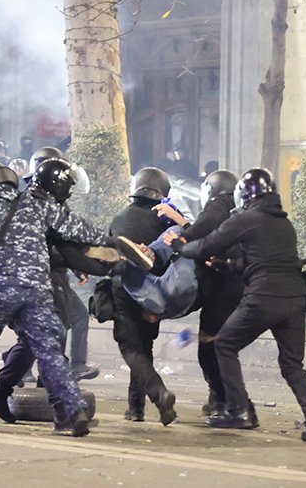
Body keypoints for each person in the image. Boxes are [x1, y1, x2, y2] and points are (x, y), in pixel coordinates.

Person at [0, 159, 110, 437]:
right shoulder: (36, 203)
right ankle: (73, 411)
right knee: (49, 351)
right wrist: (109, 241)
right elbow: (75, 227)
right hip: (38, 289)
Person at [172, 168, 306, 442]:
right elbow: (263, 259)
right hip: (294, 301)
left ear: (245, 195)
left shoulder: (247, 219)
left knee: (224, 345)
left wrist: (180, 245)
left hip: (264, 298)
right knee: (293, 366)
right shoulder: (284, 223)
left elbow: (207, 244)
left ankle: (239, 410)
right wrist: (227, 264)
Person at [163, 169, 243, 417]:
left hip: (220, 289)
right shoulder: (238, 209)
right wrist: (181, 220)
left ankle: (224, 400)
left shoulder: (219, 204)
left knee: (210, 349)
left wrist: (182, 239)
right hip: (237, 288)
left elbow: (204, 227)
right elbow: (212, 235)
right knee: (221, 346)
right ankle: (225, 399)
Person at [107, 167, 177, 425]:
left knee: (130, 347)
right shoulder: (166, 219)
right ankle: (135, 408)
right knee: (143, 348)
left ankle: (159, 394)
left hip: (124, 290)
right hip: (153, 295)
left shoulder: (120, 218)